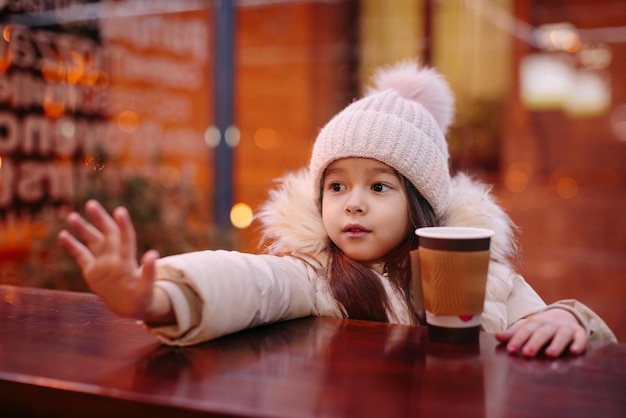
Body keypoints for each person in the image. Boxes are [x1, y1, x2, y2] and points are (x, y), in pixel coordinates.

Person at [58, 61, 616, 357]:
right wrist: (153, 297)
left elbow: (540, 321)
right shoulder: (317, 274)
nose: (353, 202)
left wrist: (568, 317)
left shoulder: (481, 274)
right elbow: (250, 282)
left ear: (421, 204)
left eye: (379, 188)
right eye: (336, 186)